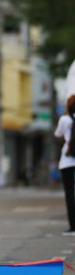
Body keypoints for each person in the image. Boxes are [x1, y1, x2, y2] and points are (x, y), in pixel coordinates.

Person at [54, 94, 75, 236]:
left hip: (67, 161)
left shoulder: (65, 119)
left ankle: (72, 227)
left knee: (70, 194)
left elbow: (57, 134)